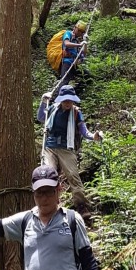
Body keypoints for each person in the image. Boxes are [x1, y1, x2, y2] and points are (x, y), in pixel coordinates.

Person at [37, 86, 101, 217]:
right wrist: (43, 101)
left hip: (67, 148)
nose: (67, 103)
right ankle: (51, 206)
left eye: (70, 100)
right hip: (50, 147)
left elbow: (84, 131)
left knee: (73, 175)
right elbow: (41, 118)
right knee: (48, 174)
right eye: (65, 100)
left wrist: (94, 136)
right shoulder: (53, 108)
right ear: (61, 100)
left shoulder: (76, 113)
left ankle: (82, 206)